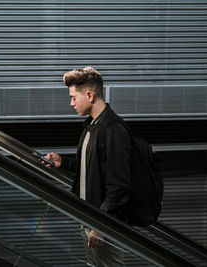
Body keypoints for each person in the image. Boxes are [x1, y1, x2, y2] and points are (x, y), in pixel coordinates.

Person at [44, 67, 131, 267]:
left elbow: (119, 185)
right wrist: (62, 162)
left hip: (104, 224)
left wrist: (101, 225)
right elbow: (92, 169)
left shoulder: (113, 129)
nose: (71, 103)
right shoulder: (92, 126)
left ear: (90, 95)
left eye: (74, 97)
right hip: (91, 218)